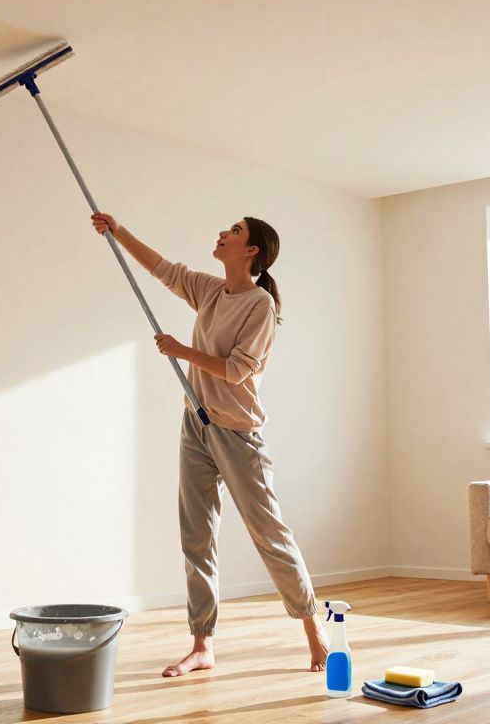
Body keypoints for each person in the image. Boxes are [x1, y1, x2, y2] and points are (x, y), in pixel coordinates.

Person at [90, 212, 328, 678]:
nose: (223, 234)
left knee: (270, 535)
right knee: (196, 536)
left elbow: (238, 369)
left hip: (238, 433)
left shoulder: (260, 305)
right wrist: (118, 231)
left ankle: (313, 630)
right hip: (195, 425)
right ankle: (202, 645)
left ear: (251, 251)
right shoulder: (210, 290)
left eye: (234, 232)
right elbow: (163, 269)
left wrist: (182, 351)